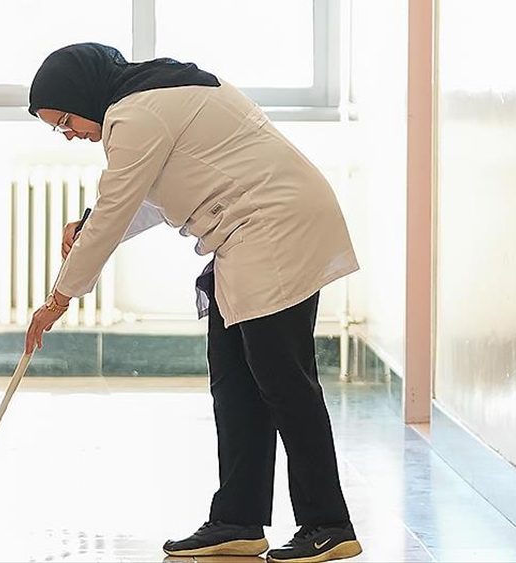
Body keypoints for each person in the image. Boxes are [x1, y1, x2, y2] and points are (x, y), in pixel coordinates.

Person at [23, 43, 363, 563]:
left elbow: (119, 204)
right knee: (235, 383)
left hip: (274, 229)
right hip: (251, 236)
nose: (68, 133)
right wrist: (90, 224)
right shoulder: (151, 98)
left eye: (66, 120)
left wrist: (58, 298)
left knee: (283, 382)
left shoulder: (136, 113)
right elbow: (144, 199)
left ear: (82, 94)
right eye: (57, 128)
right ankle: (237, 521)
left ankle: (329, 524)